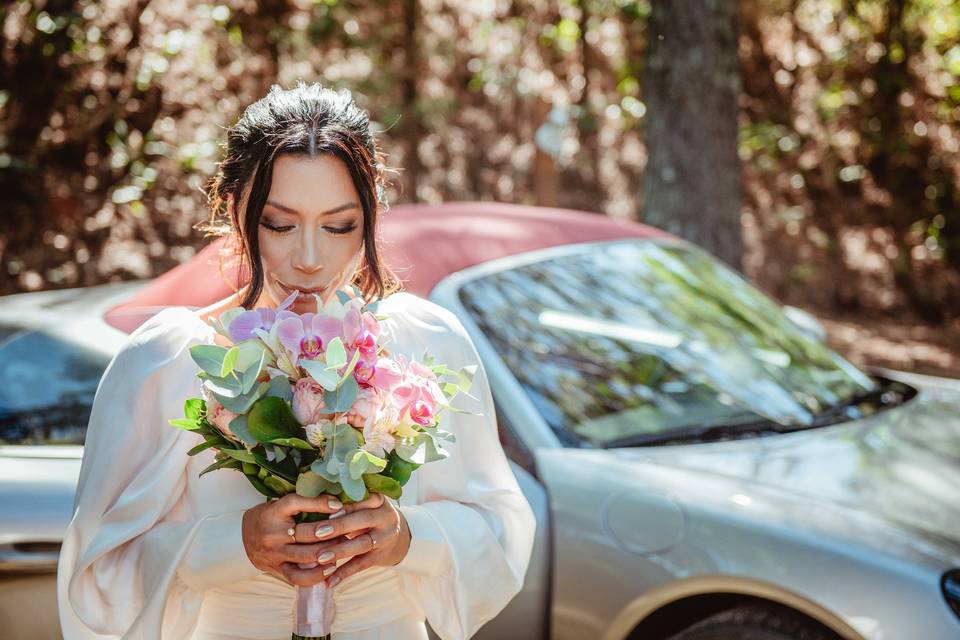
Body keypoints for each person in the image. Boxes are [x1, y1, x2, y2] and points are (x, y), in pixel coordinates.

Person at [56, 81, 537, 640]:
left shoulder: (426, 342)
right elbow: (98, 577)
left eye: (338, 226)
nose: (309, 259)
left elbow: (501, 535)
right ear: (234, 208)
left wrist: (409, 538)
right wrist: (232, 544)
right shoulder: (169, 361)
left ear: (372, 216)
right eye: (280, 224)